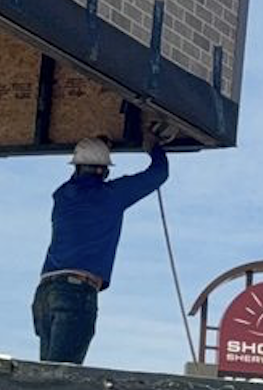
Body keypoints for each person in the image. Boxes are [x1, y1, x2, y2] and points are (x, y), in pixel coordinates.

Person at [31, 125, 169, 363]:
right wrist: (153, 147)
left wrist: (100, 147)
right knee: (61, 377)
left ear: (76, 167)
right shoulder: (111, 195)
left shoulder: (62, 195)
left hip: (45, 293)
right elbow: (159, 174)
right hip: (75, 292)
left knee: (48, 373)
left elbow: (80, 180)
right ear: (103, 170)